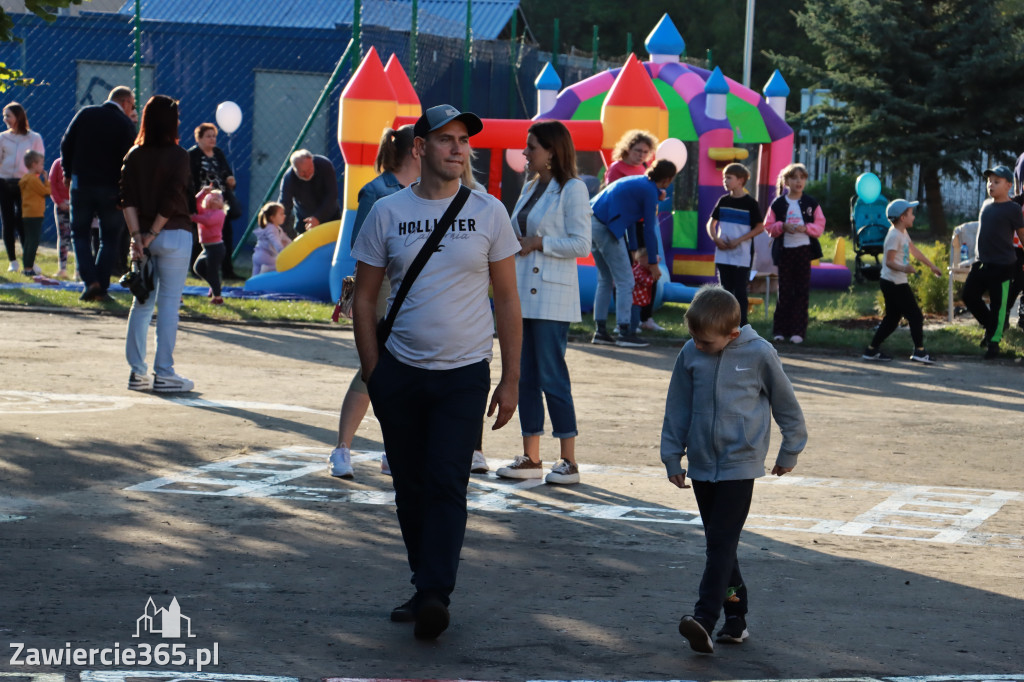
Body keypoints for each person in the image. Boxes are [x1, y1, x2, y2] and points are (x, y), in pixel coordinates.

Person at [350, 104, 521, 640]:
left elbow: (509, 300)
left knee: (448, 482)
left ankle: (434, 594)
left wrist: (511, 377)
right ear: (420, 147)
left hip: (464, 374)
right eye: (446, 139)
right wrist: (374, 372)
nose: (457, 148)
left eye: (463, 140)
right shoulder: (387, 213)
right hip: (399, 371)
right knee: (410, 487)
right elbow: (364, 299)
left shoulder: (490, 212)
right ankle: (424, 581)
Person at [661, 286, 806, 654]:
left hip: (740, 464)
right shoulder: (691, 352)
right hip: (702, 465)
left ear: (733, 335)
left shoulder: (759, 354)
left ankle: (704, 619)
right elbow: (677, 405)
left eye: (706, 342)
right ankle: (736, 619)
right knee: (720, 546)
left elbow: (787, 406)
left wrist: (790, 449)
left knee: (721, 544)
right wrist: (672, 455)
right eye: (693, 338)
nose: (698, 346)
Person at [494, 120, 591, 485]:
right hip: (521, 294)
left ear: (551, 151)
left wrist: (538, 243)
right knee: (525, 376)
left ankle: (568, 460)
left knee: (552, 375)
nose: (525, 152)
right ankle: (531, 457)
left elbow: (582, 244)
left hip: (551, 296)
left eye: (531, 147)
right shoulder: (532, 185)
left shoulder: (573, 189)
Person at [328, 125, 424, 479]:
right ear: (416, 150)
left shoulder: (422, 190)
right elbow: (363, 251)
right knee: (374, 368)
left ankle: (390, 450)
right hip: (383, 285)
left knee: (403, 370)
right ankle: (342, 449)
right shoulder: (378, 191)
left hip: (413, 288)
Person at [121, 95, 195, 393]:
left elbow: (127, 199)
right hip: (175, 233)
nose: (178, 121)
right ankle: (164, 372)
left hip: (142, 236)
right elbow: (174, 197)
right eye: (175, 116)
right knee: (168, 305)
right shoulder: (179, 155)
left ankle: (137, 373)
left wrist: (138, 237)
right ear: (169, 121)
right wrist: (150, 234)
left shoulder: (134, 154)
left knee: (141, 303)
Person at [60, 85, 137, 301]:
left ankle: (90, 281)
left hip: (82, 184)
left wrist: (67, 171)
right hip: (111, 188)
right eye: (131, 104)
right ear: (125, 103)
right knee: (109, 239)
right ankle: (101, 286)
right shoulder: (124, 123)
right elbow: (129, 159)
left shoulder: (86, 113)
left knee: (80, 234)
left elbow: (66, 143)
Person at [589, 159, 676, 347]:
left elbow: (631, 219)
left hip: (591, 220)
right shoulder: (649, 191)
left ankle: (600, 331)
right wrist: (653, 263)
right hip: (605, 225)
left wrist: (634, 250)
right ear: (668, 180)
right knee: (626, 281)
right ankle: (625, 331)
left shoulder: (640, 182)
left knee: (605, 279)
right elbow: (649, 229)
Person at [862, 199, 943, 364]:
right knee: (915, 316)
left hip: (893, 281)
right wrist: (905, 268)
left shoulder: (902, 232)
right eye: (911, 214)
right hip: (894, 283)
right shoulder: (894, 236)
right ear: (902, 217)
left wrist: (931, 266)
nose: (913, 217)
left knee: (892, 319)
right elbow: (889, 262)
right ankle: (919, 351)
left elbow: (913, 250)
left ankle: (871, 350)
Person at [961, 165, 1024, 359]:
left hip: (1003, 267)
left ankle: (993, 344)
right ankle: (991, 325)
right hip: (981, 263)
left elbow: (1022, 235)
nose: (991, 185)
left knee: (999, 305)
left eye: (996, 182)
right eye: (989, 181)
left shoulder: (1013, 209)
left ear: (1008, 185)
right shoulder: (986, 204)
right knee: (969, 295)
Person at [604, 129, 664, 332]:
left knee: (650, 266)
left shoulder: (646, 169)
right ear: (627, 149)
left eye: (646, 151)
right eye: (638, 150)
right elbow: (614, 197)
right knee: (625, 270)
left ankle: (646, 317)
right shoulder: (616, 169)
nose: (641, 155)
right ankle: (627, 319)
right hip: (624, 224)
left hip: (644, 224)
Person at [764, 163, 825, 344]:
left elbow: (820, 226)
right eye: (794, 178)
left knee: (801, 290)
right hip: (785, 252)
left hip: (803, 251)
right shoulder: (778, 203)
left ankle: (798, 331)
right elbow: (769, 226)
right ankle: (780, 330)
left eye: (802, 177)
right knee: (784, 290)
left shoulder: (811, 203)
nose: (798, 181)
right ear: (786, 181)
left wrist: (806, 228)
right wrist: (782, 226)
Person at [707, 162, 764, 327]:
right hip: (723, 253)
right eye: (724, 177)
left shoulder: (750, 203)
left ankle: (742, 325)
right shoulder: (723, 200)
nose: (725, 181)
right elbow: (710, 224)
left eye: (729, 177)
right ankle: (723, 323)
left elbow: (760, 227)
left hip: (742, 254)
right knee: (725, 290)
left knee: (740, 290)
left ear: (740, 180)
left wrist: (739, 240)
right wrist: (716, 239)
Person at [188, 123, 239, 279]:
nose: (212, 139)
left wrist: (230, 179)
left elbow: (226, 171)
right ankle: (198, 269)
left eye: (214, 136)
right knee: (200, 237)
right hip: (202, 202)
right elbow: (190, 179)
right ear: (199, 138)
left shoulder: (218, 153)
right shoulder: (192, 155)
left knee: (225, 234)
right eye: (208, 136)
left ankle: (227, 271)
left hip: (219, 201)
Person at [0, 102, 44, 273]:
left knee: (23, 220)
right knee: (8, 220)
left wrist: (33, 179)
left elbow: (39, 161)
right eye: (4, 116)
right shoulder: (3, 137)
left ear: (18, 117)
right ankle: (12, 260)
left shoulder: (34, 138)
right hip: (4, 182)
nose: (5, 119)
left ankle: (29, 259)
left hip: (25, 183)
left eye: (8, 116)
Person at [278, 149, 340, 236]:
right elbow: (285, 205)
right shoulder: (289, 178)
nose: (307, 174)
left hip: (330, 215)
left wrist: (317, 218)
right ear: (294, 169)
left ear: (312, 161)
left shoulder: (325, 165)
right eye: (303, 172)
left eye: (310, 169)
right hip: (304, 220)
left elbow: (332, 194)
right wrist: (279, 231)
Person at [190, 186, 228, 305]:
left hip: (216, 248)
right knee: (198, 268)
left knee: (212, 272)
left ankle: (218, 297)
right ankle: (215, 286)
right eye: (213, 196)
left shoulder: (220, 213)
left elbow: (208, 221)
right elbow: (194, 203)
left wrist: (193, 218)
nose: (215, 198)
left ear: (222, 204)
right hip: (206, 247)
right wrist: (202, 192)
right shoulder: (204, 211)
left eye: (219, 198)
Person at [17, 149, 49, 275]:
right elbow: (46, 192)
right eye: (41, 164)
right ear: (34, 165)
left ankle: (26, 266)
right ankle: (29, 268)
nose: (42, 167)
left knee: (29, 240)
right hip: (35, 214)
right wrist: (46, 180)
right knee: (33, 241)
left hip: (27, 213)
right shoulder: (33, 180)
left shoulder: (25, 178)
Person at [251, 202, 291, 275]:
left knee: (255, 277)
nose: (284, 216)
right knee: (281, 266)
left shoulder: (277, 228)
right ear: (272, 217)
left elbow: (286, 240)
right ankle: (267, 269)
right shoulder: (271, 229)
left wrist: (291, 245)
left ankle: (250, 286)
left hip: (257, 255)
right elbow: (275, 241)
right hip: (265, 256)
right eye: (281, 214)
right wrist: (282, 252)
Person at [49, 157, 72, 279]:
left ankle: (80, 270)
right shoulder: (57, 163)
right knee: (63, 236)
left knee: (80, 237)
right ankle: (62, 268)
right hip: (61, 205)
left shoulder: (81, 162)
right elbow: (51, 184)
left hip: (78, 206)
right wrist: (59, 202)